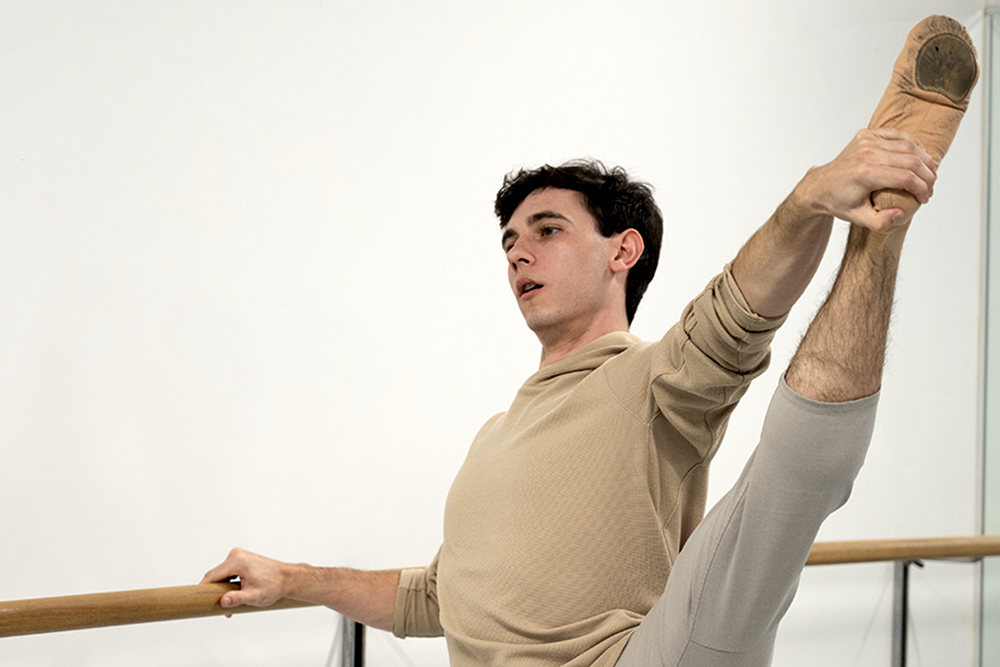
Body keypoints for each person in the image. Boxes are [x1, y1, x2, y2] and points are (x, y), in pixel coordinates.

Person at [202, 15, 977, 667]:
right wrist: (293, 579)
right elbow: (433, 598)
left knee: (778, 491)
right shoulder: (491, 439)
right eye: (509, 241)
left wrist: (809, 200)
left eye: (546, 230)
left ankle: (881, 232)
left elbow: (739, 310)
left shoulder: (650, 379)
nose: (517, 253)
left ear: (623, 251)